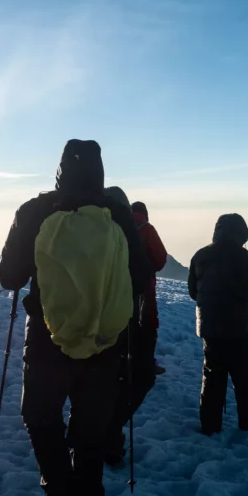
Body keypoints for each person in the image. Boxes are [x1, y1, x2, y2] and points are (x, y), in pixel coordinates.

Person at [0, 139, 150, 496]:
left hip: (47, 343)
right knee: (88, 440)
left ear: (60, 170)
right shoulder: (117, 213)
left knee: (40, 421)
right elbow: (140, 276)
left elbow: (10, 276)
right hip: (103, 347)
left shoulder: (35, 211)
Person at [188, 213, 248, 435]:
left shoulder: (200, 255)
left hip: (209, 326)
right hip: (236, 326)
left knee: (212, 375)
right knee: (244, 375)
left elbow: (193, 291)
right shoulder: (241, 256)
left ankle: (210, 424)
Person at [100, 188, 156, 468]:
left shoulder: (78, 230)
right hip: (121, 322)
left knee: (95, 385)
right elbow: (148, 270)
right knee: (134, 376)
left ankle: (95, 436)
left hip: (75, 326)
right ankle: (108, 436)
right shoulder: (132, 232)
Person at [131, 201, 169, 375]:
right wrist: (149, 269)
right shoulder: (147, 229)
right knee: (147, 321)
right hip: (144, 285)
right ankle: (146, 363)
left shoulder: (118, 226)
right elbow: (160, 257)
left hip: (120, 284)